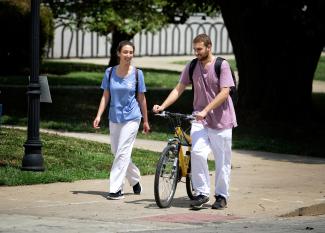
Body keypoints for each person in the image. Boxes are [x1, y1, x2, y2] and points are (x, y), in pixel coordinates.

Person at [153, 33, 237, 209]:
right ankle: (202, 193)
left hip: (222, 120)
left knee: (222, 161)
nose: (197, 52)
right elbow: (179, 88)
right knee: (197, 153)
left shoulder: (222, 65)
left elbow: (225, 92)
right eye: (195, 49)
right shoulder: (192, 66)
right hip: (199, 118)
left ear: (209, 47)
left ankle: (221, 195)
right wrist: (162, 105)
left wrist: (207, 110)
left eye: (199, 49)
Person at [93, 40, 150, 200]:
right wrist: (99, 115)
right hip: (114, 117)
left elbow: (142, 98)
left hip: (132, 117)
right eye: (125, 52)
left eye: (131, 52)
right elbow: (105, 95)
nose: (128, 55)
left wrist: (145, 120)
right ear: (118, 53)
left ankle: (116, 189)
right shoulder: (109, 72)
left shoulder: (138, 74)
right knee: (116, 151)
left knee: (123, 152)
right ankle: (135, 179)